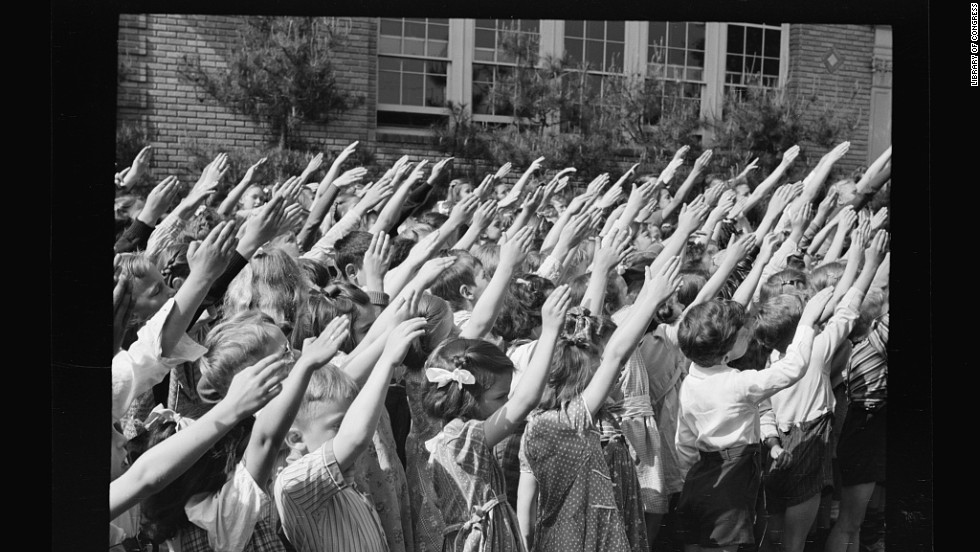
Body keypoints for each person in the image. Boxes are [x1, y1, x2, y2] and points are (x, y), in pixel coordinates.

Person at [139, 311, 349, 552]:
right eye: (285, 352)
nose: (296, 355)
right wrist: (306, 366)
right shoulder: (226, 517)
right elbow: (266, 439)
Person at [518, 257, 681, 552]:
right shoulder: (576, 418)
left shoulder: (533, 427)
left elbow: (525, 509)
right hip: (596, 538)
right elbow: (617, 354)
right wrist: (652, 298)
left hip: (553, 540)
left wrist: (528, 544)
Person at [673, 285, 835, 552]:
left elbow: (685, 442)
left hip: (700, 476)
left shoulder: (691, 380)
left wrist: (690, 480)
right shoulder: (738, 384)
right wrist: (805, 324)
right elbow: (792, 368)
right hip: (734, 477)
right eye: (741, 333)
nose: (748, 331)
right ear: (725, 354)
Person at [416, 285, 570, 551]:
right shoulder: (462, 440)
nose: (507, 403)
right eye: (500, 397)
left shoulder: (455, 433)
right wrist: (551, 332)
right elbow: (526, 400)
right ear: (468, 398)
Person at [275, 315, 427, 552]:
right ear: (296, 438)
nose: (348, 430)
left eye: (349, 421)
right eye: (338, 426)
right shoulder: (295, 484)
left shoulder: (343, 477)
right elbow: (355, 437)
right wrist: (387, 361)